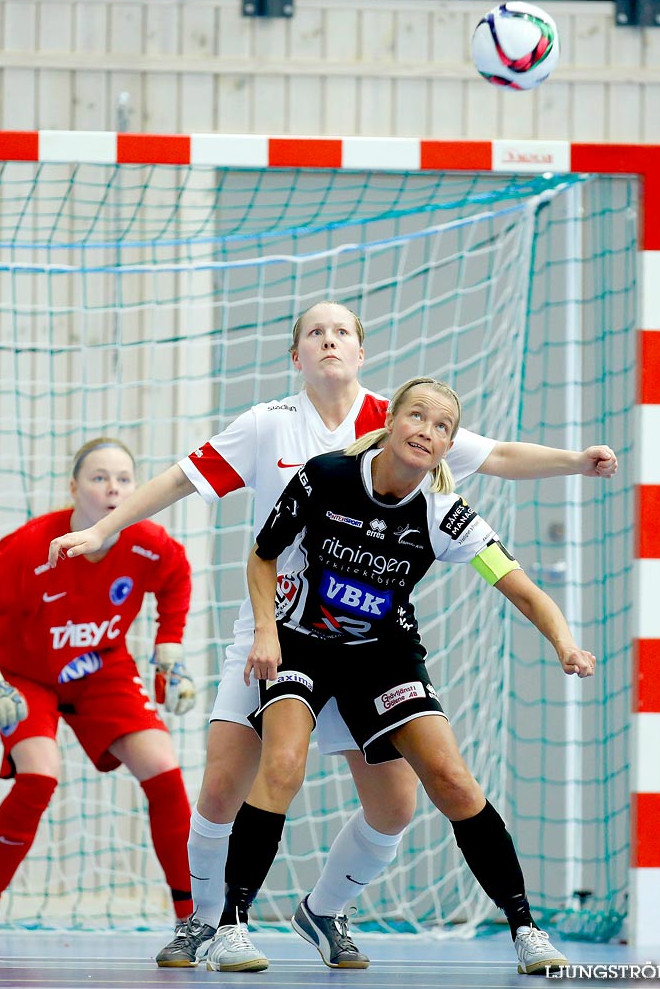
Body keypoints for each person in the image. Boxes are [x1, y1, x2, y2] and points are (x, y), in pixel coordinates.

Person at [47, 301, 616, 970]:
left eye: (340, 330)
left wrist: (575, 462)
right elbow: (181, 479)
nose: (327, 340)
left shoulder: (404, 422)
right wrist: (102, 529)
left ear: (361, 350)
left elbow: (498, 458)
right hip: (279, 627)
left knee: (399, 801)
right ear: (296, 355)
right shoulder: (269, 427)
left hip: (370, 645)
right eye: (313, 332)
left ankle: (325, 910)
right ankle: (207, 920)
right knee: (226, 782)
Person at [208, 376, 595, 975]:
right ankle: (230, 925)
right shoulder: (325, 476)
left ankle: (525, 930)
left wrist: (565, 642)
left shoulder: (446, 513)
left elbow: (521, 589)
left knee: (452, 780)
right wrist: (264, 631)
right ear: (391, 422)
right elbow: (262, 556)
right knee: (282, 764)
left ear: (447, 448)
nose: (428, 431)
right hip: (301, 642)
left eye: (442, 427)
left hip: (382, 655)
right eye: (418, 417)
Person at [0, 438, 196, 945]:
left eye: (123, 478)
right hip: (23, 672)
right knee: (39, 777)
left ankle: (191, 916)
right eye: (99, 478)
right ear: (73, 487)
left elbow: (176, 578)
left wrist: (169, 650)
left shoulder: (149, 542)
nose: (113, 488)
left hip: (100, 669)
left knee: (165, 772)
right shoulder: (29, 547)